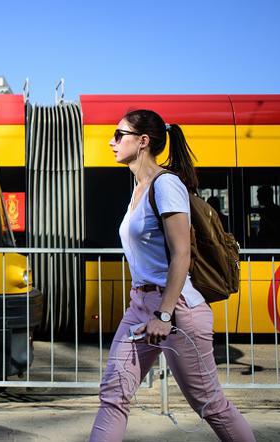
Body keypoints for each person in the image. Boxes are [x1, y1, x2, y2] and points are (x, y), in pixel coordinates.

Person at [89, 110, 255, 441]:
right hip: (140, 304)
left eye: (119, 135)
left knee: (210, 403)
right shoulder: (139, 188)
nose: (111, 142)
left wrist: (164, 314)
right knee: (113, 394)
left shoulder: (167, 185)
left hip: (176, 308)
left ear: (143, 141)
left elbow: (182, 253)